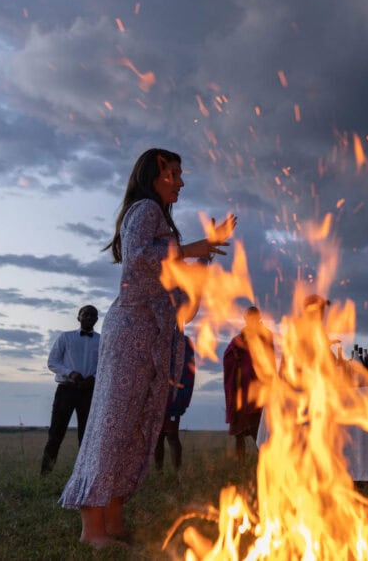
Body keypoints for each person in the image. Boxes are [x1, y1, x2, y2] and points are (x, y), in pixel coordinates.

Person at [59, 148, 235, 548]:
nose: (181, 181)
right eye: (173, 173)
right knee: (114, 423)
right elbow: (138, 259)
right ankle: (92, 528)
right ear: (153, 177)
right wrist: (193, 248)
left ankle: (115, 518)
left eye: (181, 173)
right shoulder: (144, 210)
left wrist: (203, 260)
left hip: (156, 338)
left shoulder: (163, 224)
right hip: (132, 333)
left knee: (139, 429)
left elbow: (180, 293)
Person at [40, 305, 101, 475]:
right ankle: (45, 474)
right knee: (56, 433)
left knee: (86, 436)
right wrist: (70, 373)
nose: (89, 318)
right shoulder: (65, 338)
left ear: (97, 319)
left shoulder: (102, 341)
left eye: (93, 315)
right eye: (85, 314)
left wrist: (93, 378)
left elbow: (105, 365)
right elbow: (53, 362)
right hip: (66, 390)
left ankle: (83, 476)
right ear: (79, 317)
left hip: (89, 393)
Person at [224, 305, 272, 461]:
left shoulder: (265, 337)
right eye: (247, 318)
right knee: (239, 433)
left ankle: (264, 462)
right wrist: (236, 356)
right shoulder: (239, 338)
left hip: (257, 393)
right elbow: (228, 355)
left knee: (257, 430)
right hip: (239, 392)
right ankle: (241, 463)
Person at [154, 331, 196, 472]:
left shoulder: (184, 342)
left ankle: (177, 473)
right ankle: (159, 472)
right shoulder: (155, 337)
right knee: (157, 436)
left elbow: (189, 370)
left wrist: (183, 394)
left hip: (173, 396)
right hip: (156, 395)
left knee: (172, 435)